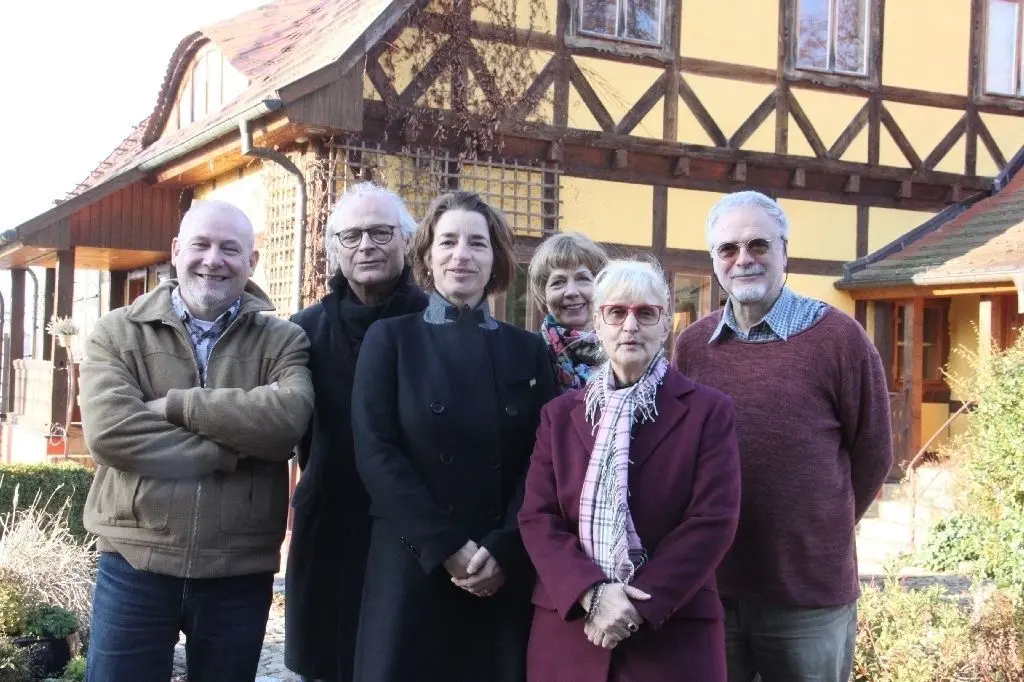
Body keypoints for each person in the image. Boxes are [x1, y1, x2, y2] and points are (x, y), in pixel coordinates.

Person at [78, 199, 315, 682]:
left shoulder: (283, 340)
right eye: (201, 244)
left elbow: (288, 420)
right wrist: (238, 446)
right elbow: (111, 433)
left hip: (238, 572)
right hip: (134, 562)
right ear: (176, 250)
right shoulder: (116, 333)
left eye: (231, 248)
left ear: (251, 262)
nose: (213, 259)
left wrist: (174, 406)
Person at [673, 190, 893, 682]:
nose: (743, 259)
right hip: (712, 585)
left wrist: (821, 527)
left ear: (784, 251)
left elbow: (873, 453)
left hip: (808, 596)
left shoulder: (840, 339)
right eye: (728, 249)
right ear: (714, 261)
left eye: (758, 245)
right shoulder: (692, 347)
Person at [351, 190, 556, 682]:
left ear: (496, 259)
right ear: (426, 255)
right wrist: (444, 545)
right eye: (447, 242)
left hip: (498, 570)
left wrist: (504, 548)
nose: (461, 254)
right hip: (412, 562)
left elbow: (543, 460)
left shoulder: (527, 351)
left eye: (477, 243)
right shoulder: (390, 340)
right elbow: (376, 452)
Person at [518, 259, 742, 682]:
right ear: (598, 324)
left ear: (665, 325)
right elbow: (537, 517)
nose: (630, 326)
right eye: (616, 313)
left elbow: (713, 521)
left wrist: (636, 603)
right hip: (570, 632)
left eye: (646, 313)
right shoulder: (560, 415)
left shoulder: (709, 412)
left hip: (671, 632)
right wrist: (592, 593)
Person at [284, 183, 429, 682]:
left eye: (380, 232)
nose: (365, 245)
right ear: (334, 250)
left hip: (413, 530)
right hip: (329, 527)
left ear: (407, 242)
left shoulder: (434, 323)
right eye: (350, 236)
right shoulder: (302, 331)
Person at [528, 232, 608, 394]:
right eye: (558, 282)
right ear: (543, 295)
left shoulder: (623, 349)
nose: (571, 291)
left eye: (582, 278)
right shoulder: (527, 354)